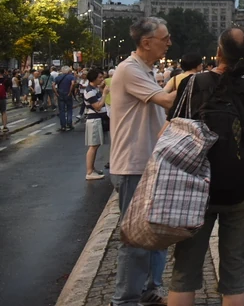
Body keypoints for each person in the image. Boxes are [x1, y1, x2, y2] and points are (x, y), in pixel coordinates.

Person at [167, 27, 244, 305]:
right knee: (236, 274)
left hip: (193, 189)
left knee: (184, 273)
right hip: (239, 189)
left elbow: (171, 132)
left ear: (218, 52)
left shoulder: (190, 84)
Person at [110, 17, 177, 306]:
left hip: (150, 164)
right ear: (146, 42)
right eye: (165, 38)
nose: (169, 43)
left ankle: (150, 289)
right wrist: (201, 83)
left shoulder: (147, 70)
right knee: (136, 240)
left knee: (157, 236)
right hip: (132, 165)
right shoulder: (129, 70)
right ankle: (125, 300)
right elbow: (167, 102)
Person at [83, 69, 107, 180]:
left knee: (95, 145)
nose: (102, 79)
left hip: (97, 119)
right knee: (93, 146)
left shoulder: (94, 89)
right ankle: (89, 171)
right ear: (93, 79)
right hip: (94, 120)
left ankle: (92, 168)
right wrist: (104, 94)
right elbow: (97, 106)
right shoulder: (90, 91)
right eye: (100, 77)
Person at [53, 65, 76, 131]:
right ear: (68, 71)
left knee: (62, 110)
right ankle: (69, 123)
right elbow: (73, 83)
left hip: (60, 94)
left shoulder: (58, 77)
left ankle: (63, 125)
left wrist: (56, 93)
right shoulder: (71, 77)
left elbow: (53, 85)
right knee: (69, 109)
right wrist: (70, 91)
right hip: (67, 94)